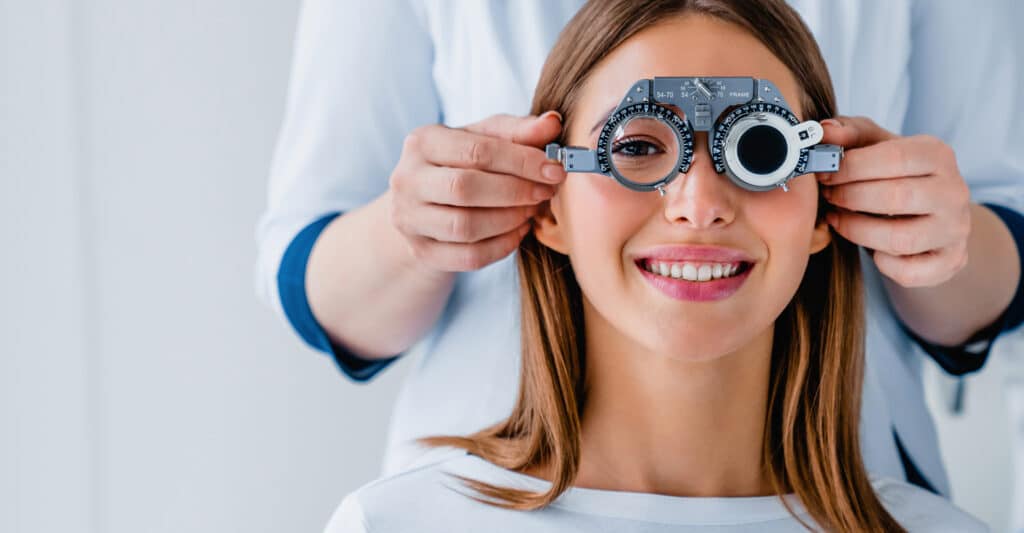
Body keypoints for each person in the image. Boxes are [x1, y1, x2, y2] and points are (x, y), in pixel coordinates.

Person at [256, 0, 1024, 497]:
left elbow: (1001, 231)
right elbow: (311, 269)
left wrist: (936, 234)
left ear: (822, 204)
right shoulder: (402, 520)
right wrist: (414, 225)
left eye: (755, 151)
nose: (698, 204)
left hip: (846, 477)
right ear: (548, 202)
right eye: (638, 148)